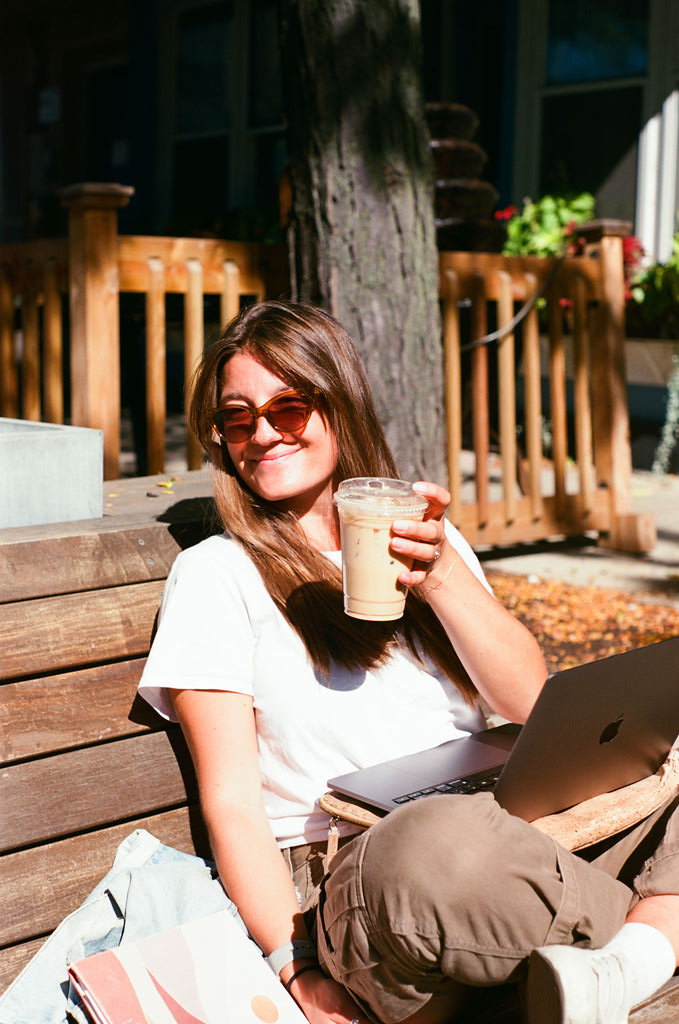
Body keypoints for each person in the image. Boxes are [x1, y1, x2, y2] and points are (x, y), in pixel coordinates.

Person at [138, 300, 679, 1024]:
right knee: (432, 841)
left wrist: (444, 577)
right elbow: (232, 804)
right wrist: (293, 968)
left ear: (341, 404)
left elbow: (528, 703)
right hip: (368, 875)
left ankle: (619, 970)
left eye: (288, 408)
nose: (261, 434)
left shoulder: (421, 539)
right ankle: (652, 944)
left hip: (510, 834)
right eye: (237, 418)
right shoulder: (216, 576)